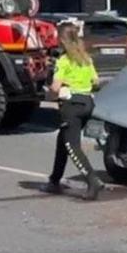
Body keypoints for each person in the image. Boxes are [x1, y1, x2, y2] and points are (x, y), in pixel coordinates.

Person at [42, 22, 103, 201]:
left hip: (71, 106)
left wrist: (52, 90)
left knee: (72, 146)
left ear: (62, 40)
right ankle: (54, 180)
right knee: (64, 140)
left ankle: (92, 181)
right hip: (87, 103)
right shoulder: (86, 58)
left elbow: (55, 87)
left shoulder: (64, 60)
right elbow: (96, 82)